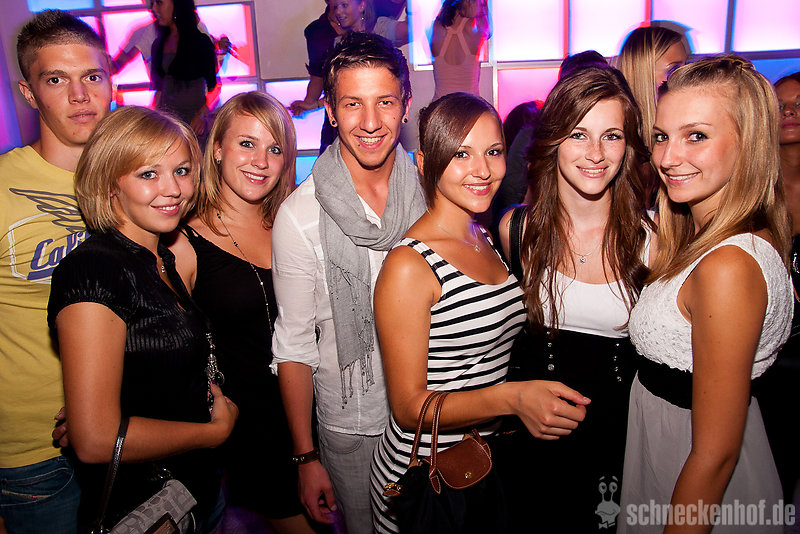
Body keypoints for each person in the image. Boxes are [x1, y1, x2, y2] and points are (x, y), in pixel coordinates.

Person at [370, 91, 591, 533]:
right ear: (423, 162)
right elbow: (409, 408)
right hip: (426, 475)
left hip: (479, 458)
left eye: (493, 151)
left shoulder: (482, 234)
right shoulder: (409, 265)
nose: (483, 170)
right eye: (461, 154)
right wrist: (513, 399)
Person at [619, 55, 792, 534]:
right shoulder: (708, 236)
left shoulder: (728, 266)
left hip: (694, 480)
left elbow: (715, 456)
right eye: (661, 136)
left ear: (748, 142)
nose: (668, 157)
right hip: (668, 453)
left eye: (696, 135)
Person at [47, 105, 238, 533]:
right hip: (146, 507)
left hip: (196, 491)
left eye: (182, 171)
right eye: (148, 174)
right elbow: (96, 441)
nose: (173, 189)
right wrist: (212, 433)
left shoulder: (162, 258)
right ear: (109, 182)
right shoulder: (95, 269)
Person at [271, 32, 424, 534]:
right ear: (331, 112)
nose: (371, 122)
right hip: (354, 423)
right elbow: (294, 345)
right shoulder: (300, 215)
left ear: (406, 105)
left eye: (385, 101)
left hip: (433, 411)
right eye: (353, 103)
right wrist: (305, 456)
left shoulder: (432, 193)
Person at [497, 66, 653, 532]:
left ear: (628, 146)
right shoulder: (516, 231)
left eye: (612, 136)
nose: (596, 153)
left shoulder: (655, 240)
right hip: (535, 443)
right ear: (553, 141)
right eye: (579, 134)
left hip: (621, 441)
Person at [166, 91, 315, 534]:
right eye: (247, 144)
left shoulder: (294, 223)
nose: (261, 161)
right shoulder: (183, 240)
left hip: (319, 411)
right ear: (216, 149)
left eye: (275, 149)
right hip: (253, 432)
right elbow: (155, 336)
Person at [0, 10, 112, 534]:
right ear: (29, 93)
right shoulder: (3, 187)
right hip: (34, 451)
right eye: (56, 80)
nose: (80, 95)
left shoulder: (143, 180)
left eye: (92, 76)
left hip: (131, 428)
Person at [752, 72, 800, 506]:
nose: (789, 112)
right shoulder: (753, 188)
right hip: (767, 344)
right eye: (781, 104)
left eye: (799, 103)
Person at [617, 25, 688, 205]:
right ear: (643, 75)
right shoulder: (622, 145)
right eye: (674, 70)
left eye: (686, 67)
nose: (685, 77)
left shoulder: (684, 129)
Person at [151, 0, 217, 136]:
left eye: (159, 3)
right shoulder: (158, 44)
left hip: (194, 124)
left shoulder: (201, 42)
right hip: (168, 124)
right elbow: (159, 90)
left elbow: (214, 87)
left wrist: (201, 115)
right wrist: (155, 119)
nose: (154, 9)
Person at [289, 0, 346, 154]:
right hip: (335, 115)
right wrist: (309, 103)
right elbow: (318, 75)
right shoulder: (316, 31)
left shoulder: (369, 23)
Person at [111, 0, 210, 79]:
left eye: (159, 2)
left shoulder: (198, 29)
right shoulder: (150, 31)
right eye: (152, 3)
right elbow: (117, 65)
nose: (153, 8)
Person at [430, 0, 490, 100]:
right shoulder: (474, 30)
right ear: (467, 2)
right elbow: (488, 30)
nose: (479, 5)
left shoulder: (436, 27)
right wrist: (484, 9)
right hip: (469, 106)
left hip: (440, 106)